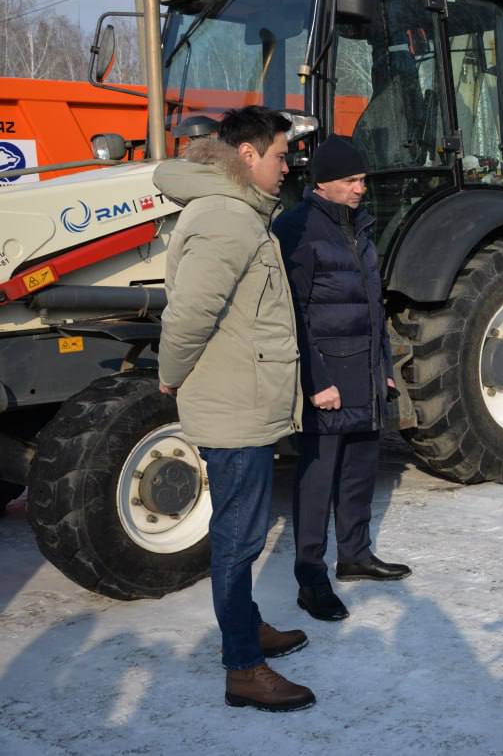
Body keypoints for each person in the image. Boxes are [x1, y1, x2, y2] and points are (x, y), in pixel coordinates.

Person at [155, 106, 314, 712]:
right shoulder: (228, 218)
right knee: (238, 537)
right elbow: (191, 312)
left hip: (241, 396)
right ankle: (244, 668)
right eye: (279, 155)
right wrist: (171, 377)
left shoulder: (238, 213)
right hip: (234, 403)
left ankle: (246, 627)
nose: (286, 166)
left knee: (239, 528)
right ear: (246, 156)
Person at [273, 135, 410, 623]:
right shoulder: (298, 228)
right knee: (316, 480)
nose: (361, 189)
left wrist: (385, 371)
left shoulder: (358, 226)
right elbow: (291, 314)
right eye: (351, 181)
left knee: (358, 471)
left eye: (363, 180)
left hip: (365, 373)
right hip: (327, 378)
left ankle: (355, 554)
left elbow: (372, 307)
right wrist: (316, 379)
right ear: (323, 183)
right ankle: (311, 577)